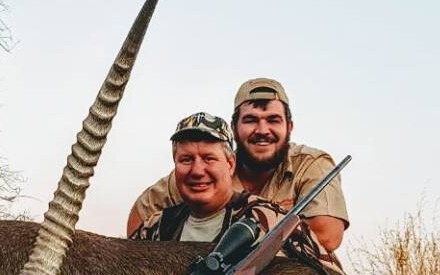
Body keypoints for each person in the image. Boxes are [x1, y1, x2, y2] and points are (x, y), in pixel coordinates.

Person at [127, 78, 349, 253]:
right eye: (251, 120)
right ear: (234, 128)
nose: (262, 130)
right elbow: (137, 227)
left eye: (273, 120)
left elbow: (326, 237)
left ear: (289, 126)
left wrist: (263, 216)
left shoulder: (311, 164)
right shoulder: (202, 171)